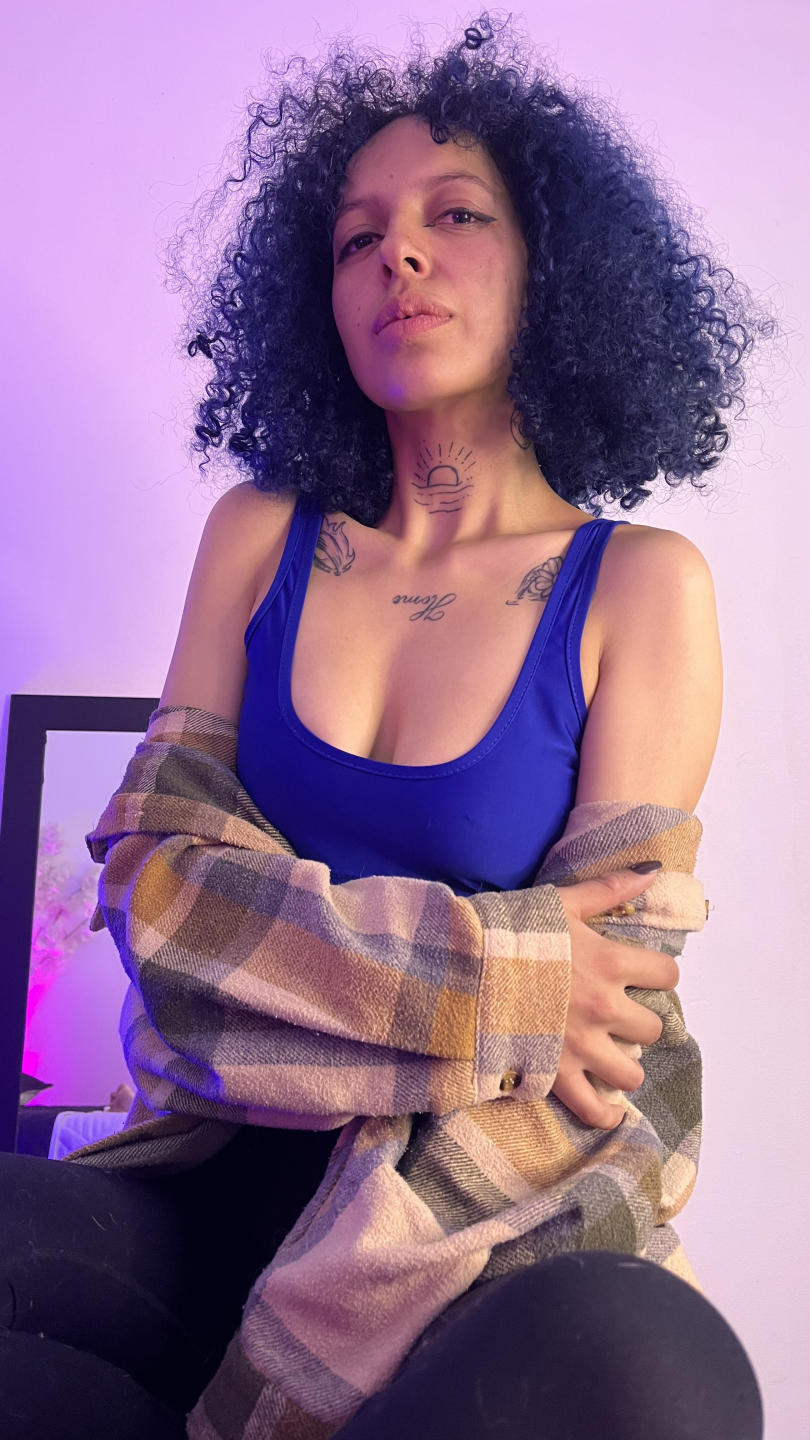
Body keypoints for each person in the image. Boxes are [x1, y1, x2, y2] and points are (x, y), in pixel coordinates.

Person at [1, 12, 773, 1438]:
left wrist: (304, 958)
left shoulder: (641, 586)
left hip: (456, 1229)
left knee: (659, 1372)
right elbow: (162, 910)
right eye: (357, 237)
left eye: (454, 216)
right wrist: (500, 986)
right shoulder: (258, 537)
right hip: (211, 1179)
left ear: (554, 269)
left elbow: (608, 1025)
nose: (396, 256)